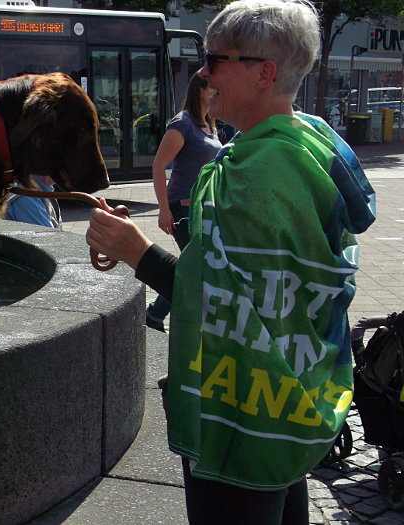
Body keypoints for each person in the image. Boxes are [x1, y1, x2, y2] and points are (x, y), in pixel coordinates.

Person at [85, 1, 376, 523]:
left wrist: (135, 251)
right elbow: (269, 296)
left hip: (242, 417)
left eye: (216, 58)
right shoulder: (308, 142)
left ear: (264, 73)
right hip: (293, 400)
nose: (203, 71)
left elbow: (215, 301)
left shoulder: (256, 174)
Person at [146, 72, 223, 332]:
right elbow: (158, 166)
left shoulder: (209, 124)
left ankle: (156, 315)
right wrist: (164, 210)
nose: (218, 91)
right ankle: (155, 315)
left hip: (204, 210)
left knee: (196, 268)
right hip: (183, 209)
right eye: (214, 87)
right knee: (195, 269)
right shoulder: (183, 124)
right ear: (200, 90)